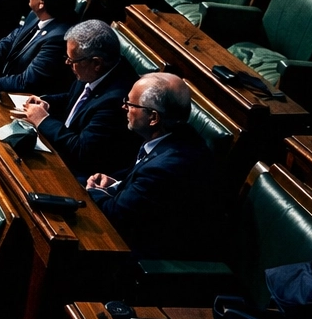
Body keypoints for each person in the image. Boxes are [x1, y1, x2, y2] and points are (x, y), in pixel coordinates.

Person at [85, 73, 215, 258]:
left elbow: (114, 214)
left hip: (148, 256)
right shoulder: (178, 134)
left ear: (153, 118)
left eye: (130, 104)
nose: (124, 107)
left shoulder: (166, 167)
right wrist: (117, 185)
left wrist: (92, 191)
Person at [19, 19, 138, 181]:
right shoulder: (97, 70)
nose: (67, 63)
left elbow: (81, 150)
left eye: (72, 60)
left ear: (96, 63)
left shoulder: (116, 101)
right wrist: (47, 102)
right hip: (61, 148)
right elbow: (74, 98)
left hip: (78, 173)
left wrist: (43, 120)